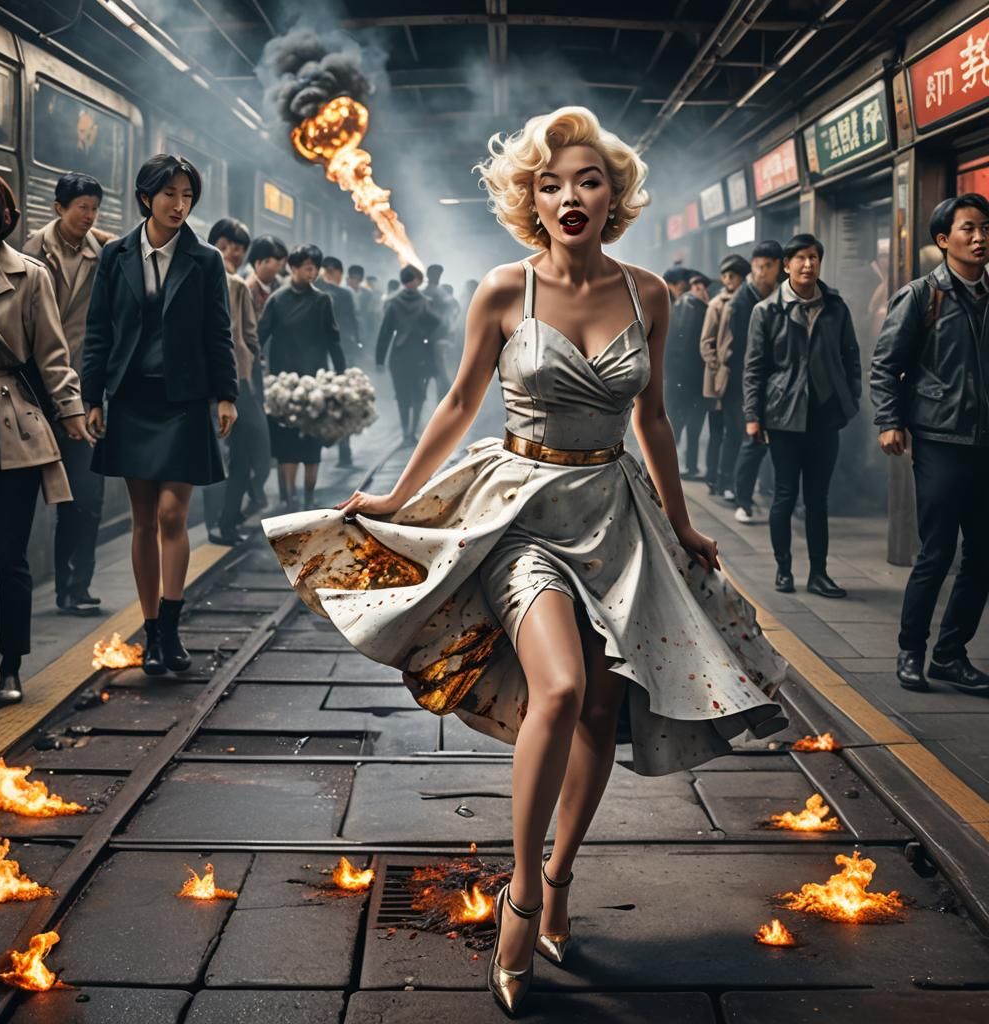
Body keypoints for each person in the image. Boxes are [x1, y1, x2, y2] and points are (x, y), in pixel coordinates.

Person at [263, 106, 785, 1014]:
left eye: (587, 180)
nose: (569, 195)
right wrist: (392, 497)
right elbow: (461, 401)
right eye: (550, 184)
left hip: (616, 515)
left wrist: (682, 522)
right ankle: (524, 890)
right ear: (529, 200)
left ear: (612, 195)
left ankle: (563, 873)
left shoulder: (650, 294)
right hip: (521, 515)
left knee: (604, 706)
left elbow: (654, 419)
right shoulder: (505, 290)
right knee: (561, 688)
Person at [83, 154, 238, 677]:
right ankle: (151, 633)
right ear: (147, 197)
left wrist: (226, 394)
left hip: (185, 402)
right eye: (170, 194)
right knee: (142, 518)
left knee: (174, 515)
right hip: (130, 398)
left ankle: (171, 627)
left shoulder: (206, 259)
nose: (180, 205)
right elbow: (98, 330)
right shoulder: (116, 254)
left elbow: (219, 333)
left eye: (188, 195)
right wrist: (91, 397)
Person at [0, 170, 93, 706]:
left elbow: (53, 356)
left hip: (14, 428)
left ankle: (12, 662)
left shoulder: (30, 276)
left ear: (2, 222)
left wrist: (72, 413)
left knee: (11, 556)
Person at [871, 194, 989, 694]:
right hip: (940, 438)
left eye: (985, 228)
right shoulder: (923, 295)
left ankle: (950, 655)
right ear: (944, 240)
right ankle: (911, 651)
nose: (980, 237)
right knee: (936, 552)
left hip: (985, 443)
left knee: (983, 554)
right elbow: (884, 365)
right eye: (968, 229)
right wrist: (889, 420)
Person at [743, 233, 861, 598]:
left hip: (824, 417)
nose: (808, 264)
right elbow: (754, 368)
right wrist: (753, 415)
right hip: (782, 416)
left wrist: (850, 399)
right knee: (783, 494)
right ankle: (783, 570)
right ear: (786, 265)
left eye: (814, 258)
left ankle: (819, 573)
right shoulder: (767, 310)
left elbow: (851, 357)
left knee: (817, 499)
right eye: (800, 258)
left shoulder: (836, 307)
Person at [22, 171, 114, 617]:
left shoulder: (105, 253)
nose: (89, 215)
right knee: (25, 500)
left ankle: (75, 586)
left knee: (87, 497)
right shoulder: (30, 253)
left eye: (94, 208)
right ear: (59, 207)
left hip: (82, 390)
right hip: (33, 393)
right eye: (81, 206)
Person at [258, 244, 345, 511]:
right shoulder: (277, 300)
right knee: (286, 445)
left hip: (315, 383)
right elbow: (260, 337)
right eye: (308, 267)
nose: (313, 272)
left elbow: (333, 339)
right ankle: (288, 498)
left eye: (315, 268)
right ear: (293, 268)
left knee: (311, 444)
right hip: (283, 385)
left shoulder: (322, 300)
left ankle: (308, 497)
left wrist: (342, 376)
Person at [206, 218, 268, 546]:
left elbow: (250, 337)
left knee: (246, 450)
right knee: (214, 457)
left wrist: (253, 382)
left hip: (237, 382)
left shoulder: (238, 287)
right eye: (227, 247)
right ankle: (218, 525)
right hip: (203, 385)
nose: (233, 255)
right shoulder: (193, 279)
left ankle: (229, 519)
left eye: (240, 251)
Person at [716, 241, 782, 503]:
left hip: (772, 380)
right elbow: (739, 346)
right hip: (743, 380)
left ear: (779, 267)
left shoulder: (781, 297)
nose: (762, 272)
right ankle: (735, 490)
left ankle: (751, 487)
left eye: (768, 266)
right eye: (758, 266)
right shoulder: (742, 301)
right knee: (743, 435)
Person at [374, 264, 442, 446]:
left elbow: (385, 332)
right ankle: (412, 431)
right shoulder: (425, 302)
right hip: (420, 354)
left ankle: (406, 432)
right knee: (419, 394)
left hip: (399, 354)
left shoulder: (393, 303)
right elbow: (437, 323)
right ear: (418, 280)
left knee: (402, 394)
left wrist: (379, 359)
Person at [244, 234, 288, 507]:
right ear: (259, 261)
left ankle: (265, 486)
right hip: (253, 372)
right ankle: (255, 487)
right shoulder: (247, 289)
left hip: (277, 371)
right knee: (257, 438)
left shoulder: (279, 287)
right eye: (275, 262)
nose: (279, 268)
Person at [699, 254, 749, 494]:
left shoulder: (747, 301)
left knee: (733, 431)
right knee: (718, 430)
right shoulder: (716, 304)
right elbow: (706, 342)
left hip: (736, 377)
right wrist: (716, 368)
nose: (730, 280)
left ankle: (724, 480)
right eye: (726, 276)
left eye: (734, 276)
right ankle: (714, 478)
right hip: (718, 378)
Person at [665, 271, 710, 477]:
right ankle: (684, 467)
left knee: (675, 425)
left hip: (678, 380)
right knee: (685, 426)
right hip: (690, 380)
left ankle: (661, 468)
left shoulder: (678, 306)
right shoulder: (691, 307)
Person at [317, 256, 360, 469]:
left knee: (320, 401)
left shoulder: (313, 289)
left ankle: (330, 451)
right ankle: (344, 451)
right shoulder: (343, 294)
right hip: (339, 353)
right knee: (341, 402)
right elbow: (353, 324)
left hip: (322, 354)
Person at [422, 263, 453, 399]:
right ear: (429, 275)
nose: (437, 277)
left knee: (442, 377)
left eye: (439, 274)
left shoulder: (442, 293)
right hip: (425, 338)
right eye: (435, 274)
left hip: (439, 338)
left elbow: (449, 316)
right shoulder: (424, 293)